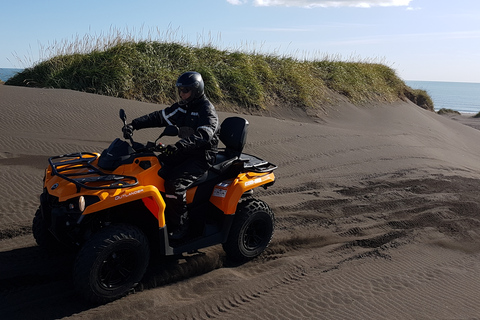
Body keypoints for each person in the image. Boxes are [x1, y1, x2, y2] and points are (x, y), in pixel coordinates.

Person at [123, 71, 219, 239]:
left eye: (186, 91)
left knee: (175, 183)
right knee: (154, 168)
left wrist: (181, 145)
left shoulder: (206, 109)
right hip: (184, 151)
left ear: (196, 90)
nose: (182, 94)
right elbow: (160, 117)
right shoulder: (183, 107)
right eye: (180, 91)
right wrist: (134, 125)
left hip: (202, 156)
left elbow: (205, 134)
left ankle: (181, 225)